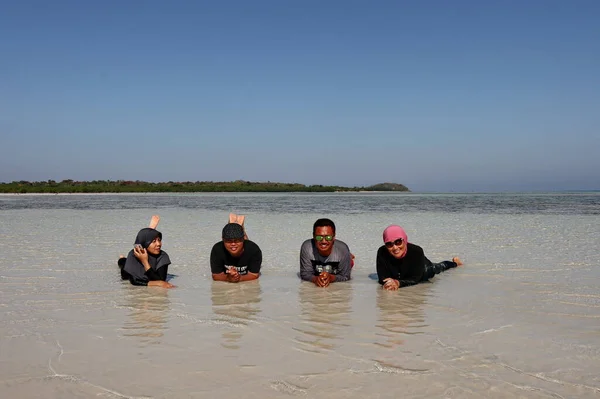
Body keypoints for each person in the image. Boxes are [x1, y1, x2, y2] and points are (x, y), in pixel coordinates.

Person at [376, 225, 462, 290]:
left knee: (439, 267)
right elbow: (382, 278)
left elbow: (415, 278)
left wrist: (398, 283)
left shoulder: (416, 251)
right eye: (389, 244)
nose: (395, 248)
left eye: (398, 242)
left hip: (424, 270)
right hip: (403, 275)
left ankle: (455, 263)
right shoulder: (382, 252)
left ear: (404, 240)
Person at [118, 219, 175, 288]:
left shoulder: (162, 256)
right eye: (154, 241)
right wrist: (144, 261)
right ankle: (122, 258)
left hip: (145, 251)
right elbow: (134, 281)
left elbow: (161, 279)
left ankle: (149, 233)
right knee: (123, 262)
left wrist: (145, 262)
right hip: (126, 271)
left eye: (159, 240)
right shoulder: (133, 255)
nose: (158, 244)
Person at [299, 218, 352, 287]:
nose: (324, 241)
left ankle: (350, 256)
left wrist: (331, 278)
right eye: (319, 237)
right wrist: (315, 279)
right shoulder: (307, 247)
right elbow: (305, 274)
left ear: (334, 237)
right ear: (314, 236)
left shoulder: (343, 250)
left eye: (328, 237)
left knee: (351, 261)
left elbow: (345, 277)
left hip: (342, 254)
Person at [211, 218, 262, 283]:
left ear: (243, 239)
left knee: (247, 246)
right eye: (229, 241)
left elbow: (254, 275)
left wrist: (239, 278)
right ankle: (238, 227)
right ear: (223, 239)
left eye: (237, 240)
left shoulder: (254, 250)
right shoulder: (217, 250)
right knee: (236, 240)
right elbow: (215, 276)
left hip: (247, 246)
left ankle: (240, 227)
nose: (233, 244)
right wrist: (228, 278)